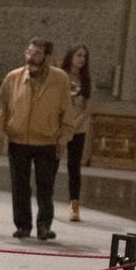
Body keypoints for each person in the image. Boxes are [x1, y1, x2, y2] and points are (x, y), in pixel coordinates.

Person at [0, 37, 76, 240]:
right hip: (18, 141)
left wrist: (64, 138)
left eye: (36, 54)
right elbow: (1, 108)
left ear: (47, 57)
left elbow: (67, 112)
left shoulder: (60, 79)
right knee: (20, 186)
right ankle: (23, 226)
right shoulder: (13, 78)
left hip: (47, 141)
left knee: (45, 187)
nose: (30, 57)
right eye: (28, 52)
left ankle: (44, 226)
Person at [61, 44, 91, 222]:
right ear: (71, 56)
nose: (81, 59)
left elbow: (88, 106)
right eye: (78, 55)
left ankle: (74, 204)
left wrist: (76, 122)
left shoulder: (85, 79)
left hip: (78, 127)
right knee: (52, 163)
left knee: (74, 166)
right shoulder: (61, 76)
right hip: (60, 126)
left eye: (84, 56)